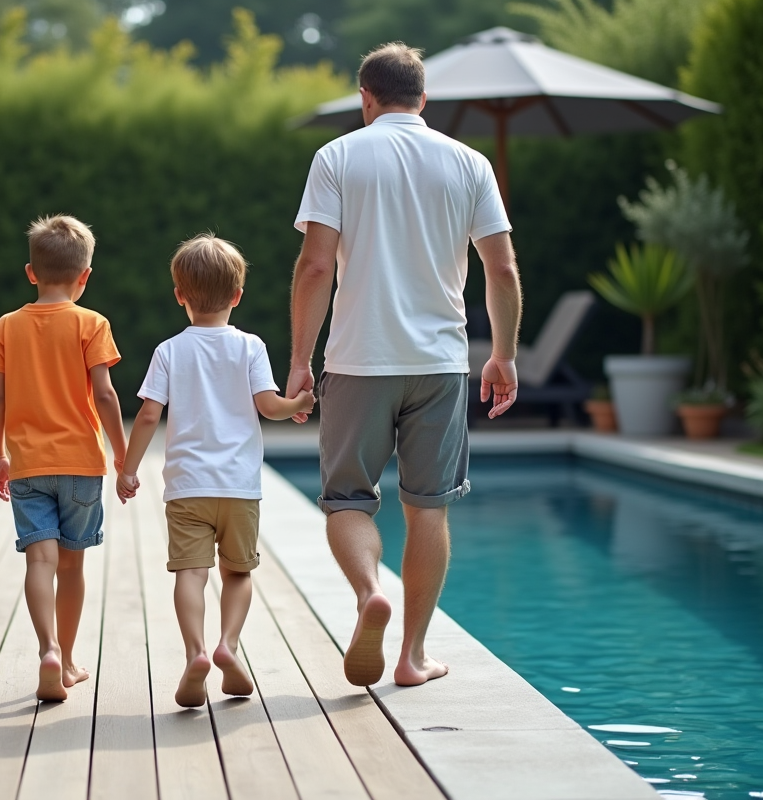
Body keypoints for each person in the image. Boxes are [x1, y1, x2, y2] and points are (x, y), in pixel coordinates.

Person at [286, 43, 523, 688]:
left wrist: (300, 362)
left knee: (347, 500)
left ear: (366, 97)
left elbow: (314, 266)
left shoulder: (336, 157)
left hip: (359, 359)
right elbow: (499, 267)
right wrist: (501, 354)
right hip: (441, 365)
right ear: (424, 98)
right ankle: (413, 657)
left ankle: (368, 594)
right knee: (429, 509)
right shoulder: (469, 163)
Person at [118, 234, 315, 708]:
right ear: (237, 296)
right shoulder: (251, 347)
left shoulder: (169, 351)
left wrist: (128, 469)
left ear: (180, 295)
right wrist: (299, 404)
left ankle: (195, 652)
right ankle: (228, 643)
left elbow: (148, 415)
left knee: (190, 572)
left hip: (187, 487)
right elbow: (269, 407)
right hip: (239, 488)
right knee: (238, 574)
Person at [0, 214, 128, 702]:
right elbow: (105, 396)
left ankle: (45, 648)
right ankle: (66, 659)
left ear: (30, 272)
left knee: (38, 563)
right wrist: (124, 456)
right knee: (72, 567)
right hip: (82, 464)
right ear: (85, 276)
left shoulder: (7, 326)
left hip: (28, 466)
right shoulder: (92, 323)